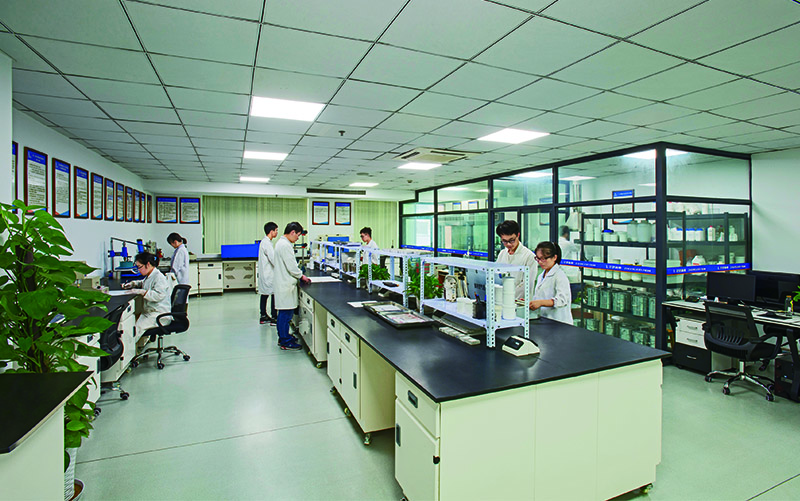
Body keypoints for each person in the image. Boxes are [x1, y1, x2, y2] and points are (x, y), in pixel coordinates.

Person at [273, 222, 312, 350]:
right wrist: (302, 276)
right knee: (285, 314)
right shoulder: (285, 245)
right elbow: (292, 267)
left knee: (284, 314)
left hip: (283, 283)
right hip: (285, 285)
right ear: (292, 232)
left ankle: (284, 336)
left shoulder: (282, 243)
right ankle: (285, 341)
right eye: (298, 235)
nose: (298, 238)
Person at [123, 251, 173, 338]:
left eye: (140, 267)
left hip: (159, 315)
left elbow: (158, 295)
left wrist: (142, 292)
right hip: (150, 312)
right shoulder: (150, 275)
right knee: (135, 326)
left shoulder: (159, 277)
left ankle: (131, 346)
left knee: (135, 330)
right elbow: (145, 283)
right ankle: (138, 345)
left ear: (148, 264)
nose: (138, 270)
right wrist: (133, 284)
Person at [529, 241, 573, 325]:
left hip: (560, 322)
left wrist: (540, 303)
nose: (540, 262)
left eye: (544, 258)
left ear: (554, 257)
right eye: (538, 258)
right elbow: (540, 297)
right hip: (546, 320)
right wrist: (531, 303)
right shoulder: (541, 275)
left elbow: (562, 300)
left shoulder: (560, 276)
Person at [495, 220, 537, 300]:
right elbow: (496, 277)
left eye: (512, 240)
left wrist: (508, 298)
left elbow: (527, 285)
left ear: (518, 235)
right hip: (501, 300)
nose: (508, 244)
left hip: (519, 302)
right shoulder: (502, 254)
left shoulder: (529, 257)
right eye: (504, 241)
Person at [258, 222, 279, 325]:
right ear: (271, 231)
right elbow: (273, 259)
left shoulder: (265, 242)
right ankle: (274, 317)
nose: (277, 232)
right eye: (276, 230)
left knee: (264, 294)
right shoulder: (267, 243)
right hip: (269, 274)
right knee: (274, 294)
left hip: (265, 274)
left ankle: (263, 315)